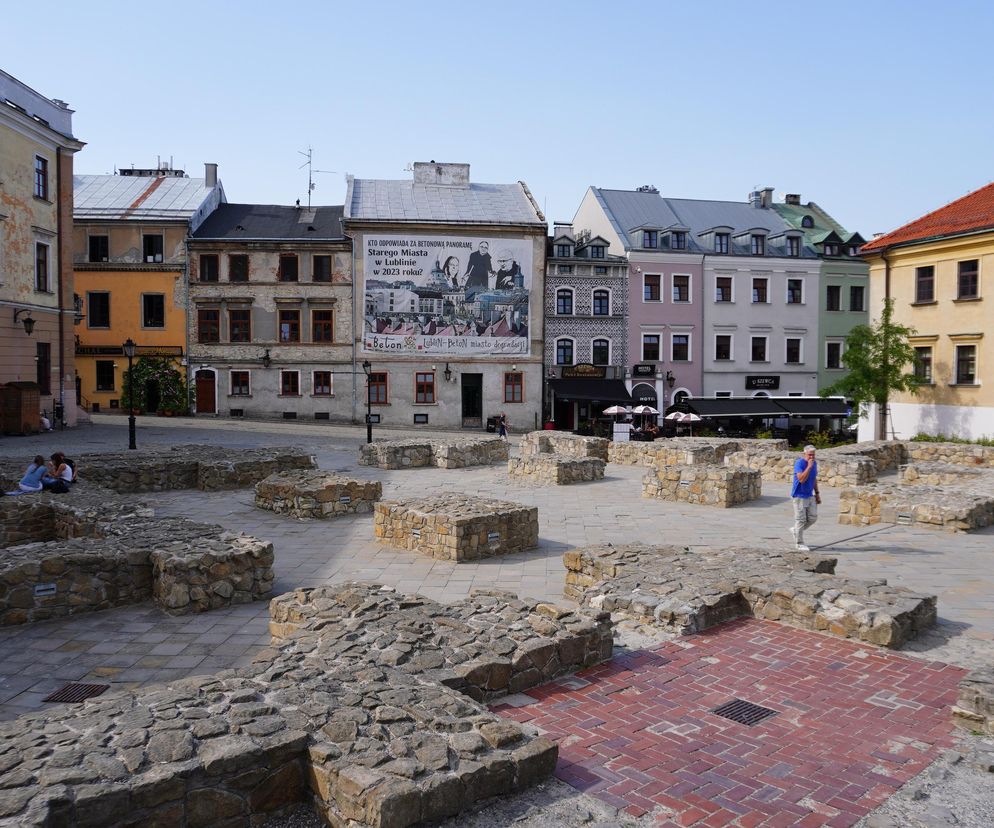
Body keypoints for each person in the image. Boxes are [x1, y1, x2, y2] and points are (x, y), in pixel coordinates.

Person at [790, 444, 821, 552]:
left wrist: (817, 493)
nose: (812, 457)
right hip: (799, 495)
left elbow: (813, 479)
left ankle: (796, 530)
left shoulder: (814, 463)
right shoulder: (799, 463)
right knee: (801, 520)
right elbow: (801, 479)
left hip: (810, 494)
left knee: (813, 518)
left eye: (813, 455)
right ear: (804, 454)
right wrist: (808, 466)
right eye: (809, 455)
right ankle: (799, 543)